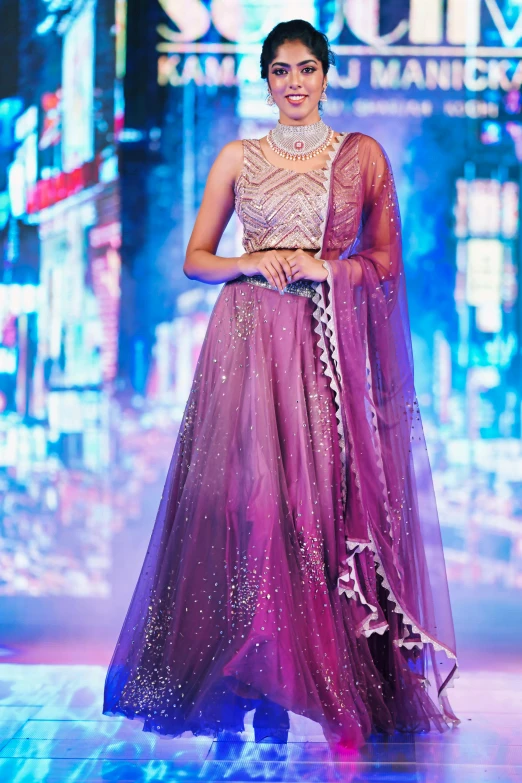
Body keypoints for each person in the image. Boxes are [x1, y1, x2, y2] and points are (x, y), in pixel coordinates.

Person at [103, 19, 460, 748]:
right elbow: (196, 258)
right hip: (243, 344)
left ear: (326, 76)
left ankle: (300, 682)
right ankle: (244, 683)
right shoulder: (240, 156)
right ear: (266, 81)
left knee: (314, 512)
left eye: (305, 68)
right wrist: (246, 262)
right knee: (245, 511)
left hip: (320, 344)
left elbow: (387, 261)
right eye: (280, 71)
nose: (293, 83)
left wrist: (331, 268)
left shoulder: (360, 159)